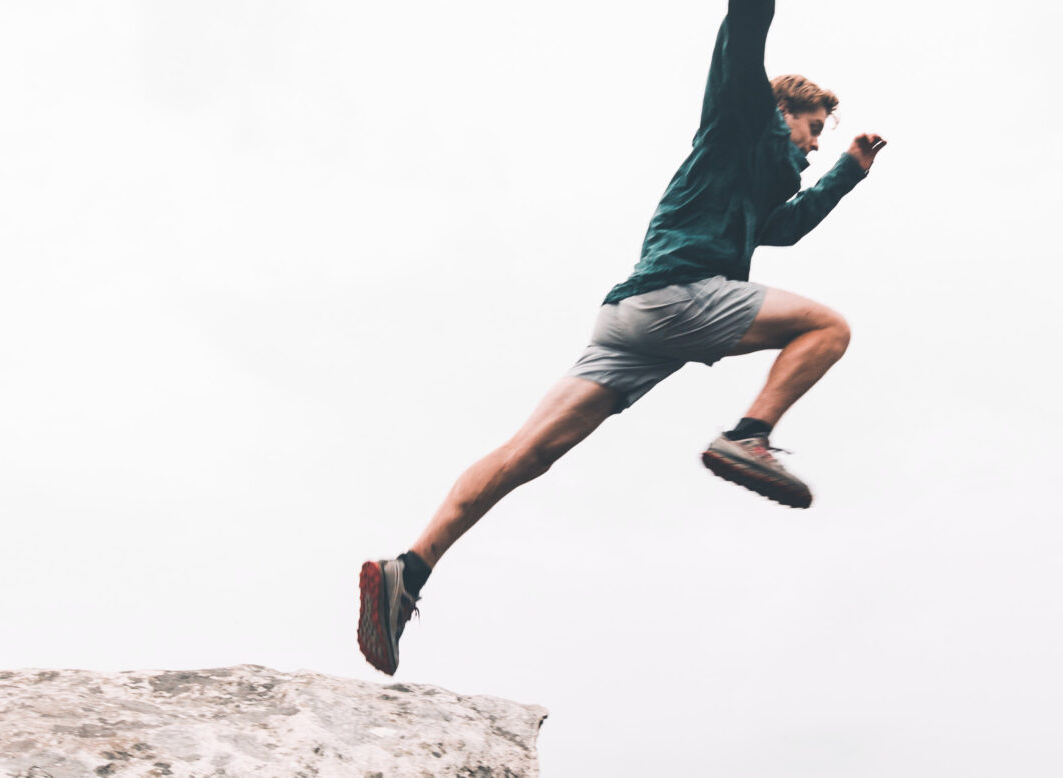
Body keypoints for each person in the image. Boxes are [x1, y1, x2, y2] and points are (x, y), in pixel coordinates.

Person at [358, 0, 886, 676]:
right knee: (827, 328)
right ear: (782, 111)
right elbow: (745, 33)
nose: (815, 146)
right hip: (678, 296)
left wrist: (849, 171)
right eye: (814, 130)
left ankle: (408, 571)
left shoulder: (752, 185)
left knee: (527, 453)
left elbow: (783, 227)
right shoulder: (740, 118)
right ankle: (748, 436)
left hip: (631, 319)